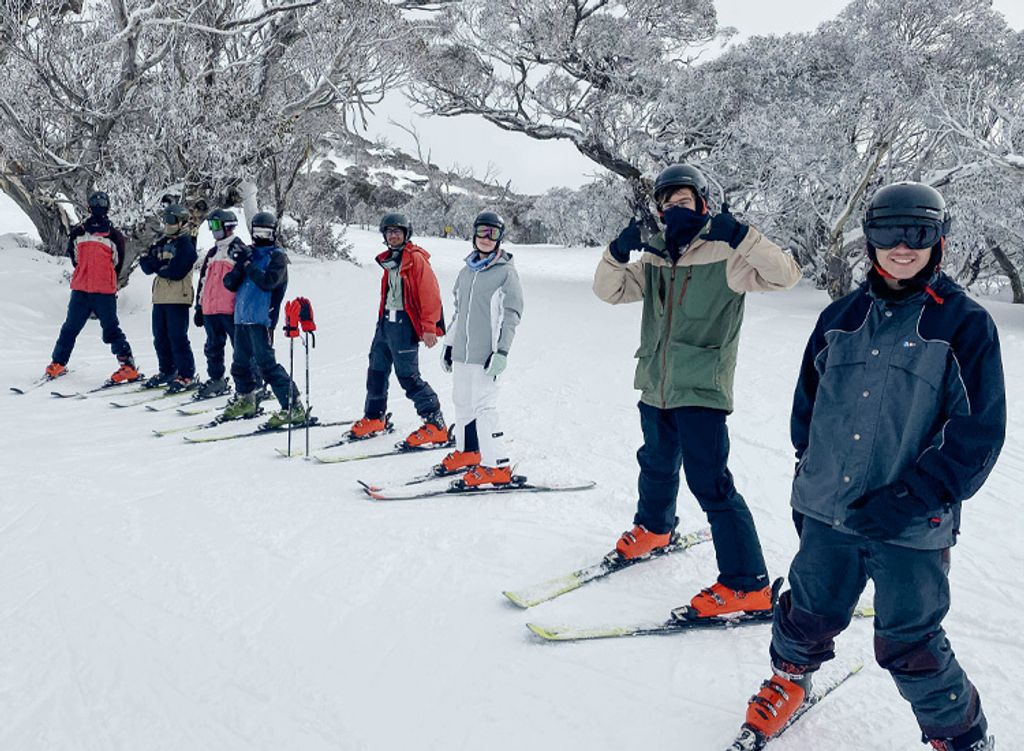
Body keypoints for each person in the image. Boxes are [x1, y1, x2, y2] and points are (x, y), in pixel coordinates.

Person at [739, 182, 1002, 751]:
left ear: (938, 240)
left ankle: (960, 736)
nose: (902, 247)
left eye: (918, 233)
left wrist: (912, 497)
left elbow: (977, 433)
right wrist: (809, 477)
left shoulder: (964, 325)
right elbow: (808, 409)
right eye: (888, 233)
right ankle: (789, 680)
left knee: (910, 639)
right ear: (870, 240)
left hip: (912, 524)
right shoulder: (840, 317)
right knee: (807, 612)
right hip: (827, 510)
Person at [593, 163, 801, 618]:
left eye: (683, 201)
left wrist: (742, 235)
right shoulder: (654, 256)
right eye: (667, 203)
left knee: (710, 482)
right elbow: (609, 291)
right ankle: (655, 528)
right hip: (657, 383)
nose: (675, 209)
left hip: (702, 386)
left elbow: (786, 275)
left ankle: (747, 582)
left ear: (702, 203)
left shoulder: (726, 255)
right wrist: (616, 252)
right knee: (656, 463)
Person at [349, 212, 448, 447]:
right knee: (376, 371)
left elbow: (430, 294)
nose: (393, 235)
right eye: (389, 232)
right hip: (385, 323)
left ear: (406, 234)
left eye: (397, 231)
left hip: (404, 325)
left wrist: (429, 328)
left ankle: (435, 424)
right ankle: (375, 417)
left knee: (408, 376)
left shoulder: (416, 259)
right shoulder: (391, 260)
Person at [440, 211, 524, 487]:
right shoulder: (466, 272)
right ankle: (468, 451)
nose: (486, 238)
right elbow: (459, 312)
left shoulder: (506, 274)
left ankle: (497, 465)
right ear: (474, 234)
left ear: (500, 238)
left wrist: (502, 352)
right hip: (462, 354)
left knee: (484, 408)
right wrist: (449, 344)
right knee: (462, 403)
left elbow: (511, 316)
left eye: (493, 233)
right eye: (482, 232)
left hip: (486, 356)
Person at [45, 191, 141, 384]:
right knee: (94, 329)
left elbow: (77, 259)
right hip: (91, 290)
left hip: (94, 290)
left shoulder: (87, 233)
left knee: (79, 328)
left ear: (89, 208)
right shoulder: (103, 234)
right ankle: (126, 365)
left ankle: (59, 363)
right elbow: (116, 263)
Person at [219, 211, 304, 428]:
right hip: (241, 317)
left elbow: (268, 282)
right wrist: (240, 263)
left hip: (262, 319)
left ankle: (293, 405)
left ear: (274, 232)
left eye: (265, 232)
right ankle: (246, 399)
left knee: (266, 365)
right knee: (240, 364)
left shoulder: (277, 257)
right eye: (257, 232)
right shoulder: (250, 253)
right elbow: (229, 283)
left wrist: (248, 265)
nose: (261, 236)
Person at [138, 203, 198, 393]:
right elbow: (146, 265)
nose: (168, 224)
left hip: (178, 296)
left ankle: (186, 374)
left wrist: (159, 265)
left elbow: (177, 271)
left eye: (171, 220)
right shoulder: (162, 241)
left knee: (177, 337)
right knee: (160, 337)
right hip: (160, 296)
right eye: (166, 220)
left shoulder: (186, 243)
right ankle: (167, 370)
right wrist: (160, 265)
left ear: (182, 222)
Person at [192, 208, 245, 399]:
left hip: (230, 309)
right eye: (210, 225)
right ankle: (217, 379)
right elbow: (203, 281)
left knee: (241, 349)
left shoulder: (238, 249)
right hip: (211, 309)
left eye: (215, 225)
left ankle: (251, 384)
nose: (212, 230)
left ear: (228, 226)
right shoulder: (212, 252)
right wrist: (199, 307)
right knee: (213, 347)